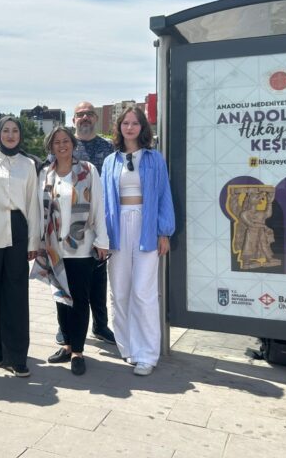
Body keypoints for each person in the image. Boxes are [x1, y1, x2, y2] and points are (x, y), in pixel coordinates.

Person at [101, 106, 175, 376]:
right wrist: (101, 236)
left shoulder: (154, 159)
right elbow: (103, 200)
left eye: (135, 123)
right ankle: (128, 347)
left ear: (142, 127)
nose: (130, 128)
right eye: (125, 123)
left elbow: (164, 194)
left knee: (144, 292)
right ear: (119, 128)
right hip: (117, 228)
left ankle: (147, 354)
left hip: (146, 226)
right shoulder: (110, 161)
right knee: (119, 291)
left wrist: (164, 231)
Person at [36, 127, 108, 375]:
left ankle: (78, 351)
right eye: (56, 142)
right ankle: (66, 345)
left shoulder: (88, 170)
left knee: (79, 299)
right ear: (51, 147)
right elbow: (38, 210)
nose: (61, 145)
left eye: (65, 140)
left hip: (81, 247)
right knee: (61, 298)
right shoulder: (45, 173)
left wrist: (102, 240)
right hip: (54, 247)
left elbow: (98, 205)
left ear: (73, 144)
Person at [0, 116, 40, 377]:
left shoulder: (28, 164)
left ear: (20, 134)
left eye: (15, 131)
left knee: (16, 293)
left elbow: (33, 204)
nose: (10, 135)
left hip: (18, 229)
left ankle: (17, 354)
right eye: (6, 130)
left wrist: (33, 241)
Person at [54, 101, 115, 346]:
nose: (85, 117)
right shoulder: (64, 147)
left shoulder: (108, 147)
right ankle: (65, 328)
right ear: (74, 120)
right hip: (67, 228)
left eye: (89, 113)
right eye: (80, 114)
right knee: (63, 280)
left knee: (98, 280)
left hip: (98, 221)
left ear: (96, 118)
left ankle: (100, 325)